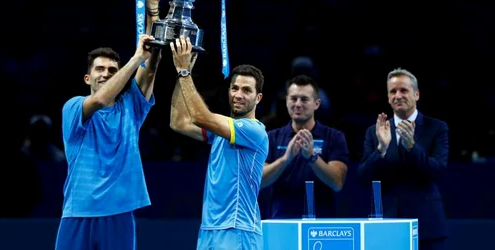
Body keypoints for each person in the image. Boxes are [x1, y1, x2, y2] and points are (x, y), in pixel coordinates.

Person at [54, 1, 163, 249]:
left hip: (119, 213)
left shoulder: (131, 107)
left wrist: (152, 13)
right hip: (77, 212)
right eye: (99, 69)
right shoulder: (73, 107)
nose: (105, 74)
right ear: (87, 77)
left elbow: (151, 66)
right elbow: (101, 99)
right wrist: (136, 58)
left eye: (112, 70)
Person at [169, 36, 268, 250]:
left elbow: (200, 117)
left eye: (246, 90)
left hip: (238, 229)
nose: (238, 95)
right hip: (209, 229)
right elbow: (179, 122)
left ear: (258, 98)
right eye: (234, 88)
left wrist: (185, 72)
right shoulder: (221, 132)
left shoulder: (255, 131)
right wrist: (181, 75)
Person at [357, 68, 449, 250]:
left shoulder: (436, 128)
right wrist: (381, 150)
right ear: (388, 97)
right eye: (393, 91)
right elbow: (362, 178)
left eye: (404, 90)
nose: (398, 95)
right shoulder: (375, 131)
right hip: (388, 225)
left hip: (426, 226)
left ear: (416, 94)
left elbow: (436, 171)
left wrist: (411, 147)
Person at [261, 75, 349, 219]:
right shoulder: (271, 138)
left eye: (304, 99)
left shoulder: (334, 137)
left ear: (317, 104)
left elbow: (337, 182)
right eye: (293, 99)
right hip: (282, 222)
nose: (298, 104)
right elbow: (259, 182)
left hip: (322, 224)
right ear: (286, 102)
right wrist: (285, 159)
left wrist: (312, 157)